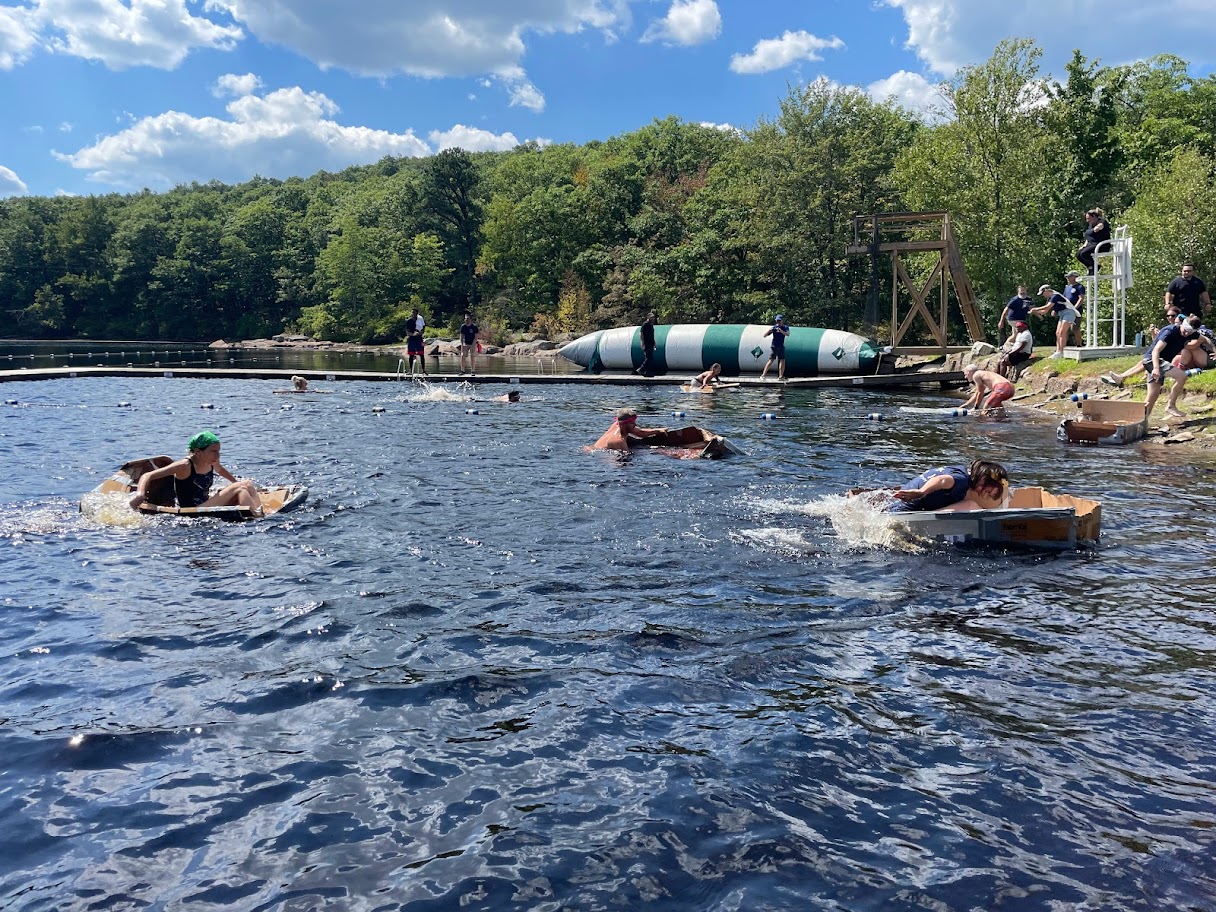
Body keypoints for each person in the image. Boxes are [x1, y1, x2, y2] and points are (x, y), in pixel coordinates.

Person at [128, 431, 263, 514]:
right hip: (192, 509)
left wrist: (236, 482)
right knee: (240, 489)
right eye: (213, 451)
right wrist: (140, 495)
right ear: (198, 452)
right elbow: (147, 475)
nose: (218, 455)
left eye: (219, 451)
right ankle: (254, 518)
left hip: (206, 503)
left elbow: (220, 470)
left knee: (247, 484)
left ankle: (260, 512)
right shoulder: (185, 466)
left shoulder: (211, 461)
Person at [890, 460, 1010, 512]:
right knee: (972, 505)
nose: (985, 495)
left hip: (898, 506)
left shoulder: (961, 470)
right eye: (987, 491)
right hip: (906, 513)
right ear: (984, 479)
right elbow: (942, 480)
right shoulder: (962, 481)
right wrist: (921, 492)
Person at [1143, 316, 1204, 418]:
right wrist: (1156, 368)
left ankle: (1141, 421)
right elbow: (1155, 351)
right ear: (1182, 324)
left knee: (1153, 395)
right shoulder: (1170, 331)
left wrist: (1214, 350)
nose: (1186, 334)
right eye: (1185, 330)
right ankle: (1171, 406)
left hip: (1159, 363)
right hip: (1152, 361)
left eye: (1189, 332)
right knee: (1182, 376)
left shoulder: (1191, 334)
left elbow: (1205, 339)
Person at [1031, 284, 1076, 358]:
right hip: (1062, 314)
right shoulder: (1050, 298)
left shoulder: (1055, 296)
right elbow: (1045, 311)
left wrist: (1035, 309)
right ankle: (1058, 351)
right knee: (1058, 333)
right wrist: (1034, 312)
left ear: (1046, 291)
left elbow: (1047, 307)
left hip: (1069, 313)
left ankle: (1061, 352)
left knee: (1062, 332)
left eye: (1042, 293)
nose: (1043, 295)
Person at [590, 408, 666, 451]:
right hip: (598, 452)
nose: (635, 425)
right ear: (625, 424)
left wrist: (658, 430)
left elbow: (640, 432)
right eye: (633, 423)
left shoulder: (617, 425)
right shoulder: (618, 441)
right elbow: (621, 462)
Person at [1076, 208, 1111, 275]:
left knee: (1084, 253)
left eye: (1088, 218)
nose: (1087, 221)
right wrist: (1084, 246)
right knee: (1078, 255)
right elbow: (1088, 238)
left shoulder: (1102, 221)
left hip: (1102, 245)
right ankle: (1091, 267)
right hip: (1092, 245)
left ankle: (1094, 267)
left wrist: (1097, 228)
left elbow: (1100, 227)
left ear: (1094, 217)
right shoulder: (1091, 225)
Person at [759, 314, 790, 381]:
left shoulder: (785, 327)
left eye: (779, 321)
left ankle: (781, 376)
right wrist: (769, 331)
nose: (778, 322)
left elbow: (787, 334)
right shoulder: (774, 328)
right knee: (771, 360)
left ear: (782, 321)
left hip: (781, 346)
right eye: (777, 321)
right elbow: (765, 335)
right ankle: (763, 375)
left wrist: (781, 331)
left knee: (782, 360)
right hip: (774, 346)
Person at [1062, 270, 1086, 346]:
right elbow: (1063, 298)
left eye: (1069, 277)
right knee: (1065, 329)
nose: (1068, 278)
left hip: (1076, 311)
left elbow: (1081, 298)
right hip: (1066, 311)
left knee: (1075, 328)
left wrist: (1074, 308)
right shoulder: (1067, 287)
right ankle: (1063, 345)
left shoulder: (1080, 287)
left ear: (1075, 277)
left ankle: (1079, 344)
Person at [405, 307, 427, 376]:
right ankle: (411, 370)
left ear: (417, 314)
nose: (412, 314)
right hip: (411, 339)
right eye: (412, 312)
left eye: (414, 313)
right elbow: (407, 332)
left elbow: (423, 330)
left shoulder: (420, 320)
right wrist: (413, 334)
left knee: (421, 354)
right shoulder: (409, 321)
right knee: (411, 355)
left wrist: (419, 333)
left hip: (419, 339)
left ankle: (424, 370)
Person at [634, 312, 658, 377]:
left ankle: (647, 371)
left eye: (653, 317)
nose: (653, 319)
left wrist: (654, 343)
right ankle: (641, 369)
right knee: (648, 357)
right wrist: (642, 342)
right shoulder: (645, 324)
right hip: (647, 343)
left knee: (650, 358)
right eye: (651, 317)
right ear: (648, 318)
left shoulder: (651, 325)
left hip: (651, 343)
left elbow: (652, 335)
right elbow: (641, 333)